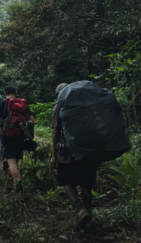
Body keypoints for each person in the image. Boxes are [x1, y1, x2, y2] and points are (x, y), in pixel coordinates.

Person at [50, 83, 95, 229]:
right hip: (88, 150)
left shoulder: (59, 106)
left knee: (65, 180)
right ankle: (88, 215)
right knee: (86, 183)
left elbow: (56, 132)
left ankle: (79, 208)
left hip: (68, 151)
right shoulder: (85, 104)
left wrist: (54, 156)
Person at [0, 86, 35, 192]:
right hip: (20, 137)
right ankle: (10, 183)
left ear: (5, 94)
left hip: (6, 137)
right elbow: (33, 121)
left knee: (12, 163)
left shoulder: (3, 104)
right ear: (15, 93)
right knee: (15, 161)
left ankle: (18, 184)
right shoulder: (23, 104)